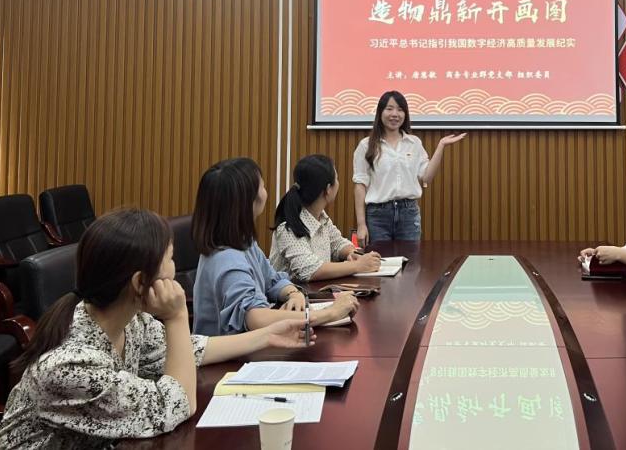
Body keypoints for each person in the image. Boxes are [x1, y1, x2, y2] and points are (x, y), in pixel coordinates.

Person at [0, 209, 316, 449]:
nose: (176, 269)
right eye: (171, 259)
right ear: (140, 282)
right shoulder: (73, 364)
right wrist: (176, 316)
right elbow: (176, 404)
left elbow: (191, 350)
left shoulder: (128, 320)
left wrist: (268, 336)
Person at [191, 157, 359, 336]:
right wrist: (329, 313)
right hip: (234, 352)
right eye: (262, 185)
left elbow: (272, 279)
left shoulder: (243, 241)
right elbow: (256, 317)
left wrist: (293, 294)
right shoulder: (227, 259)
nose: (266, 191)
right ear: (250, 201)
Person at [353, 90, 466, 245]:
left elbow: (426, 177)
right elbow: (360, 185)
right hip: (377, 215)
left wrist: (441, 146)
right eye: (389, 109)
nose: (395, 114)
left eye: (400, 110)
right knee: (379, 259)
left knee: (411, 260)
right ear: (380, 112)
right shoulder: (366, 145)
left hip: (409, 214)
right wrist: (361, 225)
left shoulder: (414, 143)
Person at [270, 154, 382, 282]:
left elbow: (337, 243)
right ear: (328, 189)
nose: (338, 183)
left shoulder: (320, 216)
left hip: (319, 290)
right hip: (294, 294)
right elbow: (310, 270)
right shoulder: (288, 226)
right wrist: (357, 266)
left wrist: (351, 253)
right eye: (337, 179)